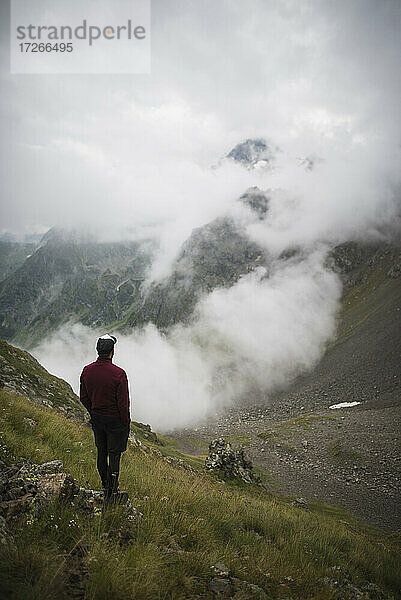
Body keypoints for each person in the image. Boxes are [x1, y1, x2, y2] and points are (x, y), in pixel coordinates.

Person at [79, 334, 131, 504]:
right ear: (112, 351)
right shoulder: (119, 374)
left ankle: (104, 485)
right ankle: (112, 491)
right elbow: (123, 403)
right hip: (115, 421)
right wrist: (125, 422)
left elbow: (84, 398)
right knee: (114, 455)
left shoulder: (87, 371)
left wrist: (93, 411)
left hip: (97, 419)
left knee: (101, 452)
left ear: (97, 350)